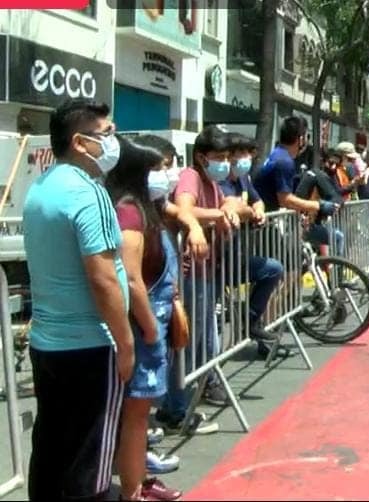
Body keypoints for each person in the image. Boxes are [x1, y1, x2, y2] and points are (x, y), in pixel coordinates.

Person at [23, 99, 131, 500]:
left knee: (52, 451)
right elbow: (103, 279)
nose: (113, 141)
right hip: (91, 345)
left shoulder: (42, 187)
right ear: (81, 143)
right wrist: (126, 342)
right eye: (107, 133)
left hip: (48, 345)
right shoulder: (89, 193)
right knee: (90, 467)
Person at [105, 138, 182, 501]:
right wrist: (151, 329)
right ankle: (132, 490)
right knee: (134, 414)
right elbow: (132, 279)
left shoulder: (146, 209)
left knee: (138, 415)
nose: (166, 175)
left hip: (151, 321)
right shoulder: (130, 212)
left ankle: (137, 482)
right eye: (157, 168)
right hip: (141, 326)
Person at [155, 125, 240, 433]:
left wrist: (227, 207)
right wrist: (216, 216)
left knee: (203, 343)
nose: (226, 163)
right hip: (190, 274)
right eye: (220, 157)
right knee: (187, 344)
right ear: (202, 157)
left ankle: (181, 404)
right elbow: (186, 209)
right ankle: (176, 410)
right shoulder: (191, 177)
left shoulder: (212, 183)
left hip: (205, 273)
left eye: (228, 157)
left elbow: (230, 203)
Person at [218, 132, 285, 347]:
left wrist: (258, 210)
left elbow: (257, 201)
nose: (246, 157)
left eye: (249, 153)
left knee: (273, 269)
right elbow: (232, 205)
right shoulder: (219, 182)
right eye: (241, 153)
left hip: (238, 256)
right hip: (216, 260)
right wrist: (248, 210)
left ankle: (251, 320)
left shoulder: (244, 179)